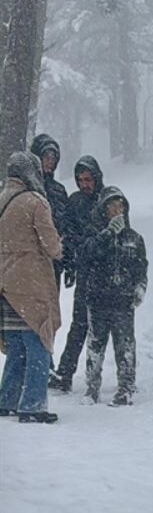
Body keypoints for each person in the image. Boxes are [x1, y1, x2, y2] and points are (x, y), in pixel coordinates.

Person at [0, 153, 63, 423]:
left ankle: (7, 400)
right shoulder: (35, 202)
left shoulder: (1, 198)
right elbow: (52, 247)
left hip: (4, 285)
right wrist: (60, 245)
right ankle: (33, 405)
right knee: (39, 342)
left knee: (16, 347)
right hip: (30, 285)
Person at [78, 187, 147, 406]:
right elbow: (86, 256)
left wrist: (140, 288)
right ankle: (91, 389)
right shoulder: (94, 234)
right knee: (95, 346)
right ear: (103, 210)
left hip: (123, 302)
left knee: (125, 346)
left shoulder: (134, 239)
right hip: (98, 300)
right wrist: (107, 234)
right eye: (112, 207)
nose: (117, 211)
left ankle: (126, 388)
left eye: (120, 206)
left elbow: (140, 268)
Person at [48, 155, 105, 394]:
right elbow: (69, 237)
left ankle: (123, 378)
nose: (85, 184)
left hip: (106, 273)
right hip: (85, 272)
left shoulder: (108, 199)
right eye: (80, 180)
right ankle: (65, 371)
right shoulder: (75, 202)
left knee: (110, 326)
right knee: (80, 324)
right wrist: (71, 263)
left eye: (88, 179)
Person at [30, 134, 69, 282]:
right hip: (31, 262)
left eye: (53, 158)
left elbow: (66, 226)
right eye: (45, 156)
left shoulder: (59, 190)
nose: (49, 161)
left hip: (54, 261)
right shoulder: (28, 188)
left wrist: (67, 260)